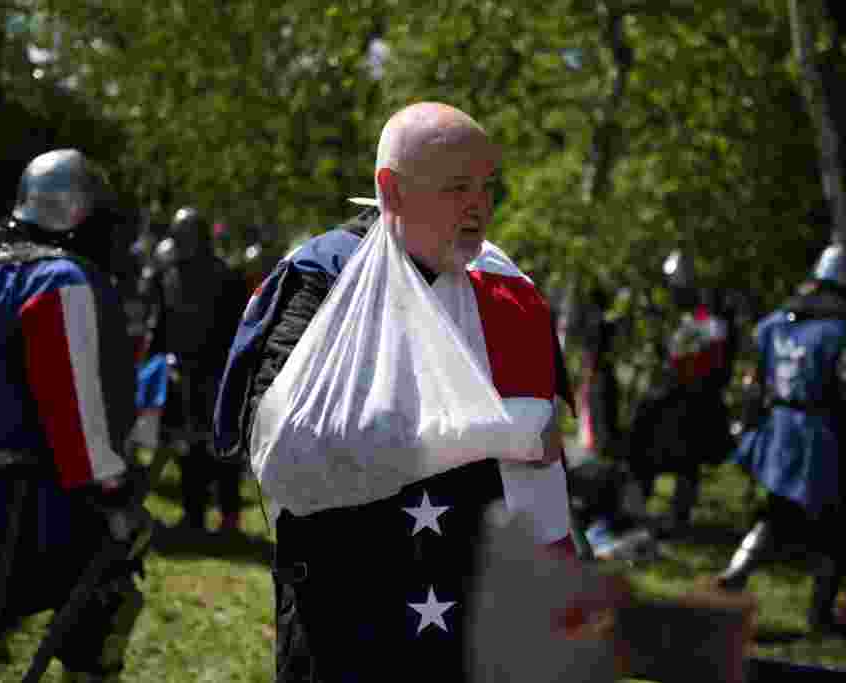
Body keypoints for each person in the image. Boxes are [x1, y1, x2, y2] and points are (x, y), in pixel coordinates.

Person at [213, 102, 576, 682]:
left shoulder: (506, 291)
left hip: (473, 618)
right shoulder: (324, 279)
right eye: (457, 187)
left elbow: (543, 471)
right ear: (392, 189)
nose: (478, 207)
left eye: (486, 187)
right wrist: (500, 432)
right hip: (349, 614)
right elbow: (288, 457)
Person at [0, 149, 151, 682]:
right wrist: (115, 496)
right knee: (105, 607)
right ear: (80, 210)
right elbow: (76, 418)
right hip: (38, 506)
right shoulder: (60, 281)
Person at [716, 243, 846, 631]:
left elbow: (756, 376)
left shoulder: (779, 321)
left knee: (777, 510)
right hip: (823, 434)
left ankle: (737, 570)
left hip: (781, 426)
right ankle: (819, 615)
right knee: (837, 527)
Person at [628, 249, 736, 530]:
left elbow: (708, 360)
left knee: (686, 457)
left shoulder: (708, 318)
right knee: (645, 443)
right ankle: (637, 503)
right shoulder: (682, 317)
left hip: (696, 397)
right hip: (675, 392)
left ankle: (679, 515)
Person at [160, 206, 249, 533]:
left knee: (222, 449)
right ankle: (193, 514)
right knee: (188, 449)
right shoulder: (168, 278)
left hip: (218, 374)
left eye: (188, 236)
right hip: (182, 374)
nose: (183, 243)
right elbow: (164, 325)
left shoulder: (225, 276)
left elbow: (240, 328)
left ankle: (229, 517)